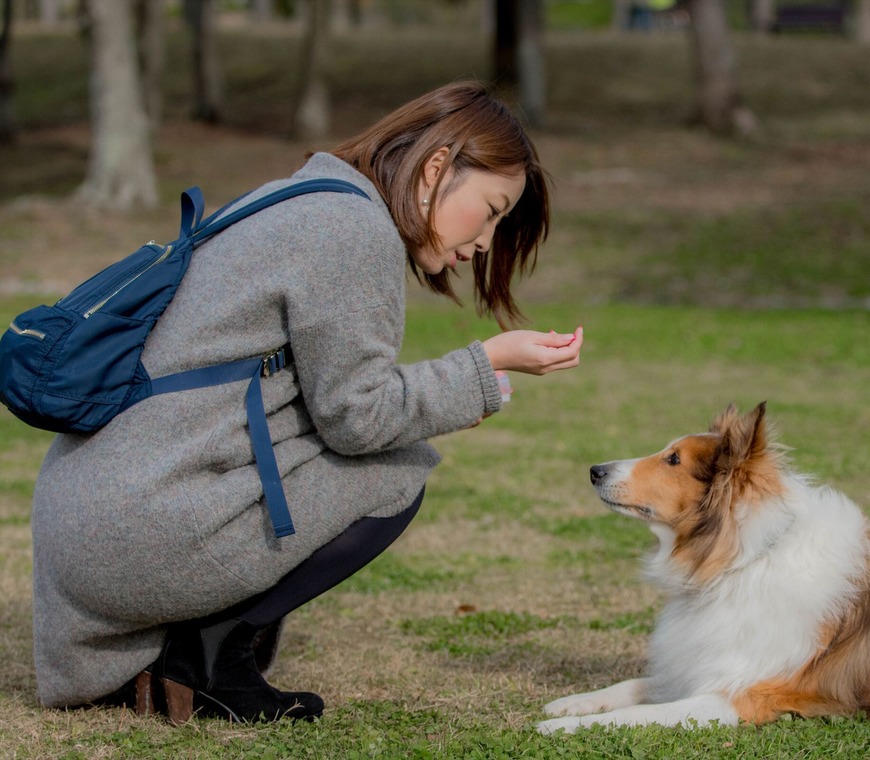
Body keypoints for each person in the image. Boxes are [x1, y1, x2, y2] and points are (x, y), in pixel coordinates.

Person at [30, 80, 583, 724]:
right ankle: (207, 661)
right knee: (397, 472)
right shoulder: (353, 230)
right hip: (129, 526)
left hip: (91, 514)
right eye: (490, 210)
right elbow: (358, 418)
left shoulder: (306, 197)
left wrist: (462, 388)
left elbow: (325, 401)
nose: (486, 240)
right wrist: (484, 367)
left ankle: (180, 653)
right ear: (436, 168)